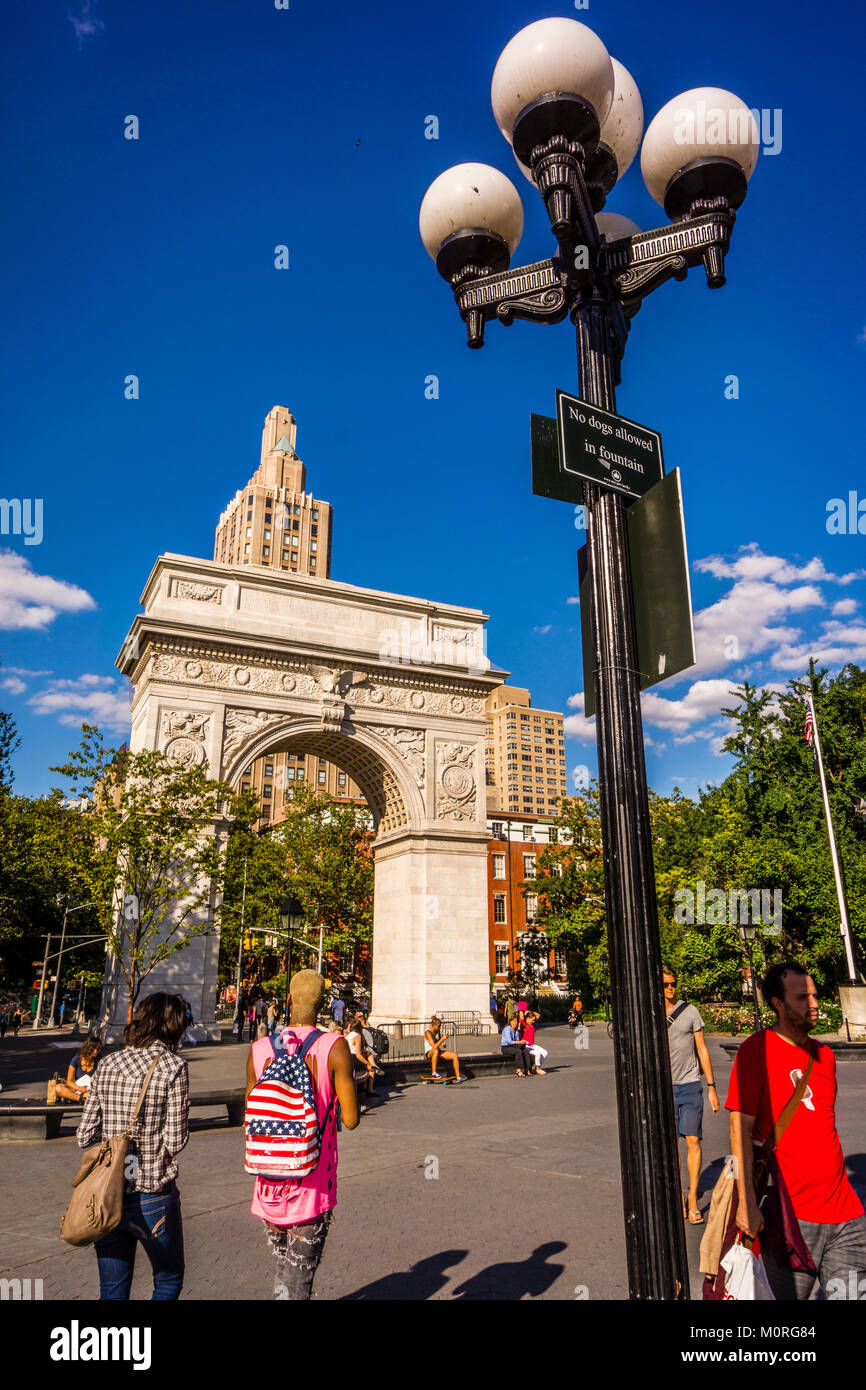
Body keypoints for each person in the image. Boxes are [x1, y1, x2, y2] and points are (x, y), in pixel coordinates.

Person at [727, 960, 866, 1300]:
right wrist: (746, 1205)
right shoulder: (755, 1050)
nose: (814, 1004)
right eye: (802, 997)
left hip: (846, 1214)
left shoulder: (825, 1056)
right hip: (790, 1220)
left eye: (815, 995)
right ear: (778, 1003)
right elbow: (739, 1130)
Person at [246, 969, 359, 1299]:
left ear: (290, 999)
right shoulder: (334, 1047)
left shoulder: (259, 1049)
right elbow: (350, 1119)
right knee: (299, 1283)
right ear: (324, 1003)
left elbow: (249, 1117)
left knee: (283, 1273)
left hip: (268, 1182)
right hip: (312, 1185)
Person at [77, 992, 190, 1300]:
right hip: (152, 1192)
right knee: (167, 1280)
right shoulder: (174, 1067)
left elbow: (84, 1135)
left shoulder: (108, 1062)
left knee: (112, 1290)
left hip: (107, 1194)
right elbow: (176, 1141)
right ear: (174, 1026)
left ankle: (115, 1347)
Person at [662, 966, 719, 1224]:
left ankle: (693, 1197)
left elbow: (702, 1049)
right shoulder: (650, 1013)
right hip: (664, 1087)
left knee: (693, 1140)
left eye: (674, 983)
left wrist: (712, 1087)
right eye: (666, 984)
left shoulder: (691, 1012)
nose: (671, 988)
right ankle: (675, 1195)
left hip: (689, 1085)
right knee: (671, 1145)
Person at [423, 1016, 463, 1082]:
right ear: (434, 1025)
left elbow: (437, 1040)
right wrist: (442, 1039)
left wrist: (442, 1043)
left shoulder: (437, 1031)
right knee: (435, 1050)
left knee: (454, 1055)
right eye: (438, 1026)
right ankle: (434, 1073)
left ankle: (458, 1077)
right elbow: (434, 1047)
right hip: (429, 1053)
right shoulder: (428, 1033)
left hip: (437, 1052)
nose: (439, 1028)